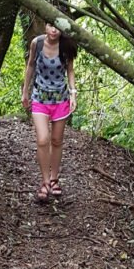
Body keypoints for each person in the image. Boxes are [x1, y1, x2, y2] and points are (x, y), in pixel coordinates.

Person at [21, 22, 78, 202]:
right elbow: (30, 66)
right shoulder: (36, 43)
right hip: (39, 98)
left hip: (60, 99)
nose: (54, 30)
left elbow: (70, 70)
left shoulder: (66, 46)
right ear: (45, 27)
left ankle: (54, 179)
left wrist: (73, 94)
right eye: (50, 25)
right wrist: (25, 91)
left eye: (57, 27)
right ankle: (45, 181)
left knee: (56, 140)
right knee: (43, 139)